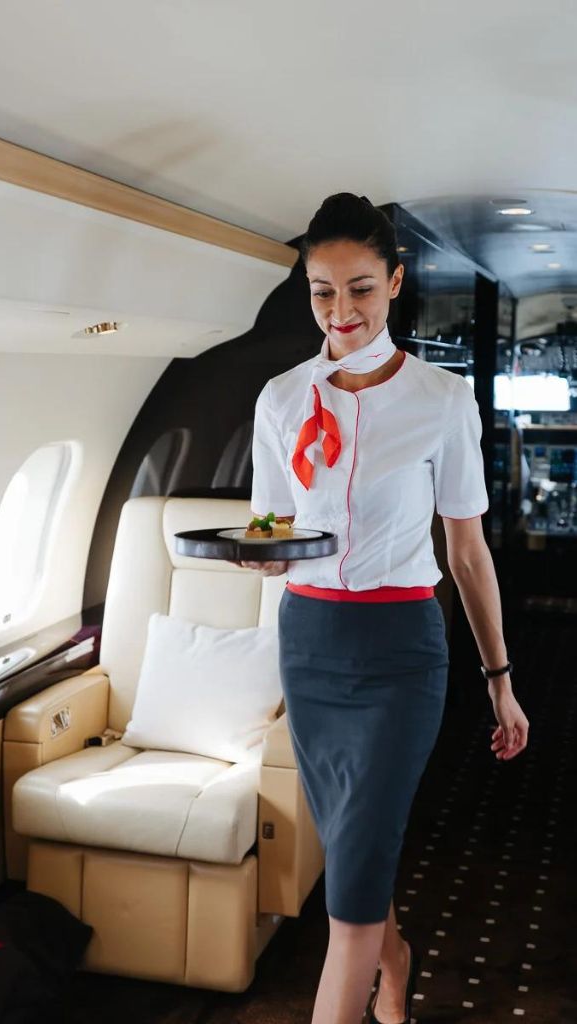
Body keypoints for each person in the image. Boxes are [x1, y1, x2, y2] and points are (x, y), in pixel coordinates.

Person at [235, 193, 529, 1024]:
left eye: (360, 289)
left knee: (353, 888)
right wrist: (256, 582)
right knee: (353, 852)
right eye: (322, 292)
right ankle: (394, 960)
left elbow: (466, 552)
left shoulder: (440, 400)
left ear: (395, 282)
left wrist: (499, 680)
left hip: (401, 647)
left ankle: (371, 964)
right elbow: (271, 535)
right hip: (309, 639)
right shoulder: (279, 399)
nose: (342, 311)